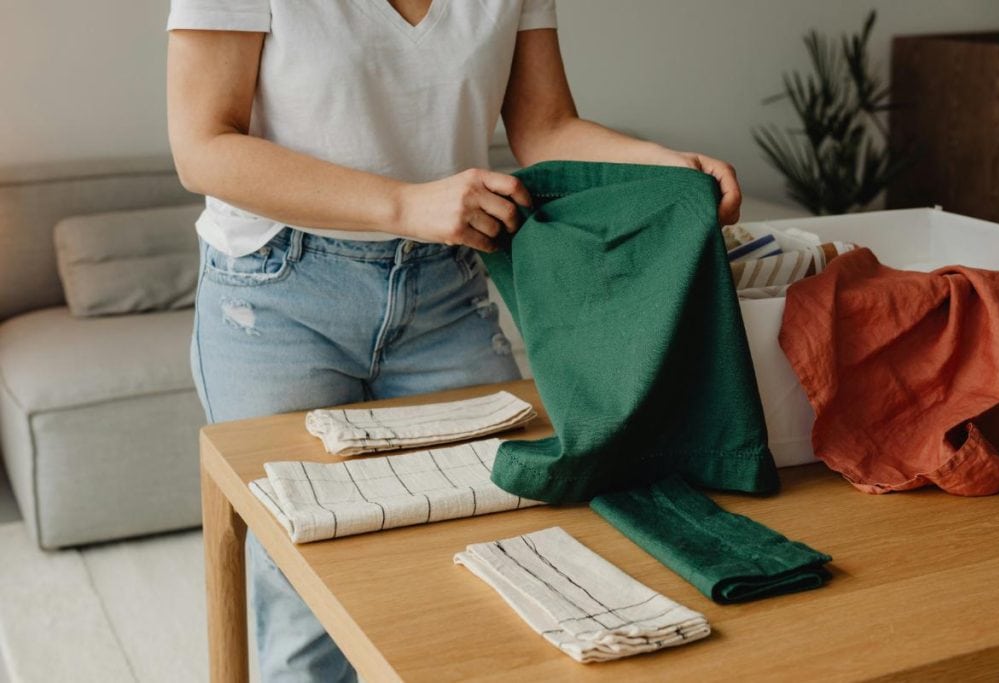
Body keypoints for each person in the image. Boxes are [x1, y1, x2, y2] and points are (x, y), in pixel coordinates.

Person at [166, 1, 742, 680]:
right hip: (275, 296)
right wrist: (408, 205)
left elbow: (544, 126)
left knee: (498, 561)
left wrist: (666, 167)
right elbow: (202, 145)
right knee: (306, 604)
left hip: (444, 287)